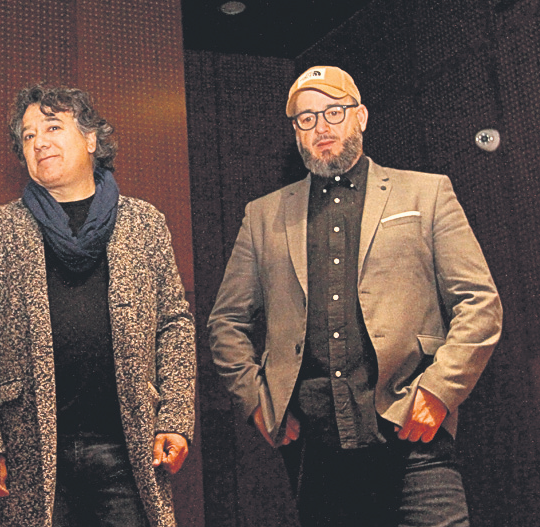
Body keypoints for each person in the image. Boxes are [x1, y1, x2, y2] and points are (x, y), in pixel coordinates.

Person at [208, 66, 502, 527]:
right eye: (306, 118)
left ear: (360, 116)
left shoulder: (427, 193)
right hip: (316, 450)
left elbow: (479, 302)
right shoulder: (262, 216)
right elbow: (225, 323)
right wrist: (257, 402)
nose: (321, 126)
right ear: (296, 132)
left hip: (414, 432)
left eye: (334, 111)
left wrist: (440, 390)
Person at [0, 85, 195, 527]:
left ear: (90, 139)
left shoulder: (144, 223)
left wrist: (176, 417)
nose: (38, 142)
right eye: (28, 136)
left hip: (130, 448)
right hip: (29, 452)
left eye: (52, 127)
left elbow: (174, 325)